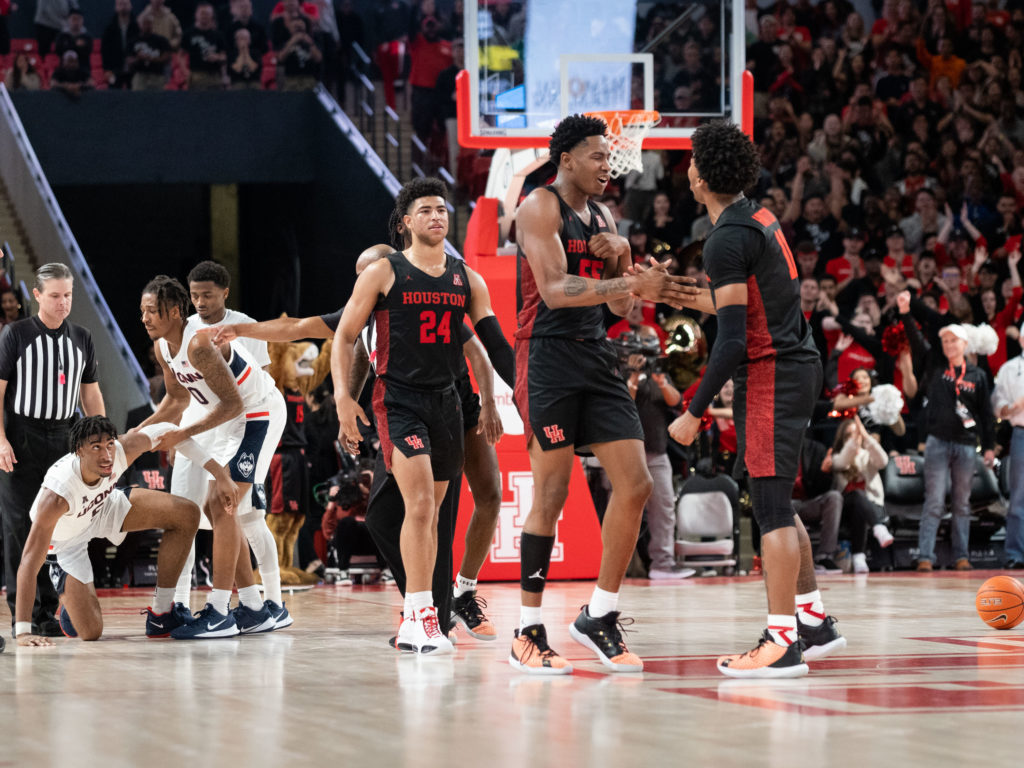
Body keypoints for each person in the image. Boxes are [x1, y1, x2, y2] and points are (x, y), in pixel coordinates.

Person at [209, 236, 514, 643]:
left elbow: (477, 350)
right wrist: (241, 329)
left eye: (366, 273)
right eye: (358, 276)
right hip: (407, 413)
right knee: (387, 516)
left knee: (470, 501)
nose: (361, 282)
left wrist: (492, 404)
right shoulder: (364, 309)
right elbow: (297, 327)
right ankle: (423, 608)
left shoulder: (423, 295)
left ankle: (454, 600)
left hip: (454, 406)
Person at [511, 114, 692, 675]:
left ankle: (600, 613)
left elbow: (619, 310)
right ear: (566, 160)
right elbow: (556, 289)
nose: (607, 165)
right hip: (545, 356)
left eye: (609, 158)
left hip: (595, 354)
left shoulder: (605, 214)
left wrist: (622, 260)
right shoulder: (539, 207)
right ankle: (528, 630)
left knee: (636, 483)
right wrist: (627, 278)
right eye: (596, 156)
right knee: (553, 492)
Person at [668, 121, 845, 679]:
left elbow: (734, 339)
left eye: (693, 159)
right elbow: (741, 304)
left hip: (772, 373)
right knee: (777, 504)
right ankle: (813, 621)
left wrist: (693, 414)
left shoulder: (723, 238)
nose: (688, 167)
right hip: (796, 363)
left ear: (703, 174)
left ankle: (781, 641)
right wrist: (669, 291)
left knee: (768, 508)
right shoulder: (758, 216)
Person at [331, 177, 499, 655]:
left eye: (442, 209)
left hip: (446, 400)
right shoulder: (385, 271)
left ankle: (433, 613)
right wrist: (345, 398)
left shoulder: (466, 278)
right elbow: (343, 337)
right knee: (419, 505)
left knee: (437, 515)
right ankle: (419, 617)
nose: (437, 216)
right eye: (425, 210)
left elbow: (488, 349)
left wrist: (497, 398)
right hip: (398, 399)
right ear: (406, 222)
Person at [138, 275, 286, 637]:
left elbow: (234, 403)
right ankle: (253, 606)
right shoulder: (163, 348)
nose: (145, 318)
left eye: (152, 311)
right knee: (217, 507)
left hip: (258, 414)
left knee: (224, 506)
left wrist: (182, 434)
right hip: (229, 421)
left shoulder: (199, 345)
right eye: (141, 311)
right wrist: (135, 434)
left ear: (174, 311)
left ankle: (220, 611)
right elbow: (176, 400)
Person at [13, 415, 237, 646]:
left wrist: (219, 473)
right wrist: (22, 632)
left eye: (109, 444)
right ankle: (70, 597)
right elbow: (28, 563)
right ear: (79, 450)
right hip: (67, 541)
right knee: (91, 632)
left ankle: (162, 614)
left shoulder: (123, 450)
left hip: (104, 506)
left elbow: (170, 430)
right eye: (96, 447)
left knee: (187, 514)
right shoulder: (56, 496)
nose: (107, 455)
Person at [1, 263, 105, 638]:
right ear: (37, 295)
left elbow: (90, 393)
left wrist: (102, 443)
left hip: (64, 436)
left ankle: (49, 613)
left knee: (58, 527)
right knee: (20, 527)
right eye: (56, 296)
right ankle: (23, 616)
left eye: (69, 296)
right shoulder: (15, 334)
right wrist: (1, 439)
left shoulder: (82, 337)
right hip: (21, 435)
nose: (64, 303)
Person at [916, 323, 995, 571]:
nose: (949, 345)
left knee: (962, 502)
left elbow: (985, 414)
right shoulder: (936, 368)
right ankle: (925, 557)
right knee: (935, 501)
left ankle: (961, 556)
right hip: (937, 441)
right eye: (945, 341)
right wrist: (908, 314)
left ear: (965, 344)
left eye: (953, 340)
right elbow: (917, 342)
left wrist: (990, 446)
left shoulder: (977, 375)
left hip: (967, 445)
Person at [830, 416, 893, 574]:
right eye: (849, 434)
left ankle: (859, 558)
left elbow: (883, 461)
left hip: (872, 506)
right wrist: (854, 440)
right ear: (843, 438)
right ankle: (879, 528)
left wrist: (866, 436)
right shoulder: (837, 457)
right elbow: (843, 461)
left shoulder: (867, 455)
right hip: (844, 507)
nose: (854, 437)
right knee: (857, 495)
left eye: (856, 433)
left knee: (861, 507)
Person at [992, 340, 1024, 569]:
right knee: (1018, 497)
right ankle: (1015, 554)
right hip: (1020, 432)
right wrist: (1009, 408)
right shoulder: (1010, 368)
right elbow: (997, 402)